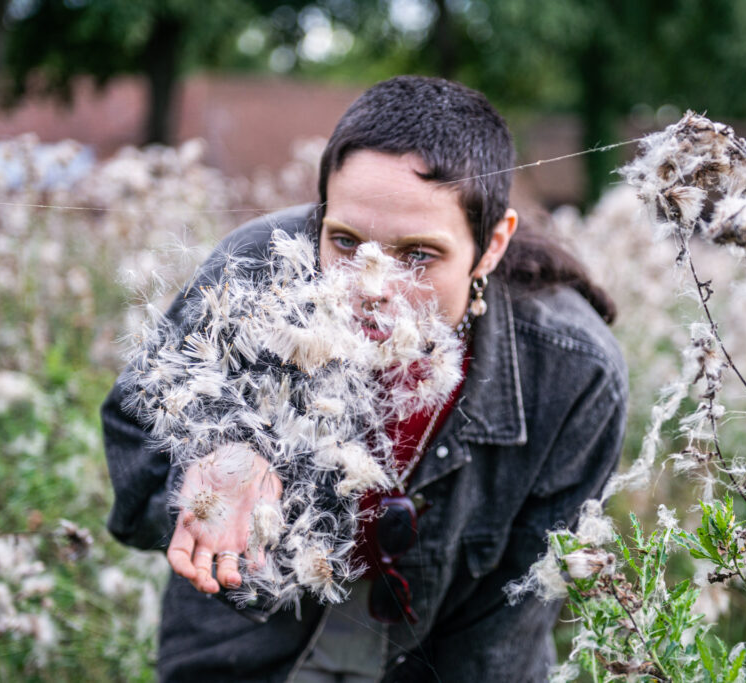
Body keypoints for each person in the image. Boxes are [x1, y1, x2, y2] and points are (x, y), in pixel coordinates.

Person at [102, 75, 627, 682]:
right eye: (345, 241)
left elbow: (507, 622)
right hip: (247, 658)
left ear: (492, 245)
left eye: (418, 256)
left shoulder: (574, 373)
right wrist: (212, 468)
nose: (370, 289)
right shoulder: (251, 274)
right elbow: (135, 439)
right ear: (318, 217)